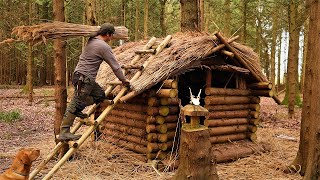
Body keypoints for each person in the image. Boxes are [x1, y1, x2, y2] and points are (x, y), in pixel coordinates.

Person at [57, 23, 130, 141]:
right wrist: (123, 80)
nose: (111, 38)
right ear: (107, 34)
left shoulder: (92, 40)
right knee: (76, 102)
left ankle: (77, 110)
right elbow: (115, 67)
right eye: (111, 36)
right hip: (85, 78)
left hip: (80, 76)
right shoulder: (104, 46)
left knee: (100, 95)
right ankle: (64, 131)